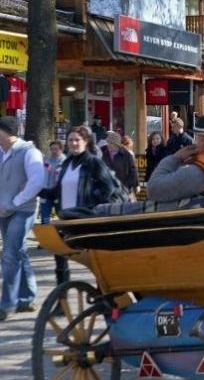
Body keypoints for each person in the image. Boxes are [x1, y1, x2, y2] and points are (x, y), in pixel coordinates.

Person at [40, 126, 128, 288]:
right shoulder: (66, 163)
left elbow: (108, 188)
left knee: (96, 261)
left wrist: (90, 205)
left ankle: (105, 293)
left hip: (86, 220)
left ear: (85, 142)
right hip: (67, 219)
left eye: (77, 140)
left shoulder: (93, 162)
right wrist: (42, 192)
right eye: (70, 140)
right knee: (60, 255)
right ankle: (62, 296)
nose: (73, 143)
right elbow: (60, 190)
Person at [0, 116, 46, 321]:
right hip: (4, 210)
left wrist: (16, 201)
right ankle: (27, 298)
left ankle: (7, 304)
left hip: (23, 210)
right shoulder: (1, 152)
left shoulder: (29, 152)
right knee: (19, 251)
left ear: (7, 133)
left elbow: (37, 180)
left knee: (10, 255)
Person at [101, 131, 139, 199]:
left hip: (123, 188)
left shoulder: (126, 154)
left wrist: (133, 185)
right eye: (108, 142)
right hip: (108, 189)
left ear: (117, 144)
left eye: (111, 143)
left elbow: (133, 170)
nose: (109, 145)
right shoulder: (103, 153)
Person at [40, 140, 66, 225]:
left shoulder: (65, 161)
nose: (53, 151)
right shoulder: (46, 160)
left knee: (62, 217)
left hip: (59, 194)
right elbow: (43, 173)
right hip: (46, 192)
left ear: (61, 149)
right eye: (52, 149)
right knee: (45, 217)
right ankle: (46, 236)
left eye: (56, 149)